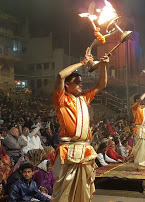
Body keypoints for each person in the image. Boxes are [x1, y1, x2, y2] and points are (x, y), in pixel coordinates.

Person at [51, 48, 109, 202]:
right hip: (69, 150)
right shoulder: (61, 99)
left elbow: (102, 84)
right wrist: (82, 63)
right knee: (64, 190)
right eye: (77, 82)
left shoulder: (84, 98)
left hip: (84, 149)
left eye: (81, 82)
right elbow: (60, 75)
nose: (81, 84)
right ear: (67, 85)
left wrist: (103, 66)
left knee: (83, 187)